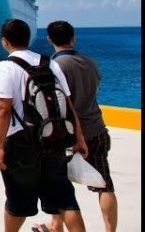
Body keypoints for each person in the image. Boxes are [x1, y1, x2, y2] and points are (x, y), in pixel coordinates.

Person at [0, 19, 89, 232]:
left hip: (20, 144)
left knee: (17, 201)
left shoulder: (5, 67)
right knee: (65, 200)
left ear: (4, 41)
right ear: (28, 38)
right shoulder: (50, 63)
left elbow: (2, 109)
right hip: (53, 139)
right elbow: (68, 104)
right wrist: (79, 137)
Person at [44, 21, 117, 232]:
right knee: (105, 185)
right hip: (97, 129)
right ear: (73, 38)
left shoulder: (54, 66)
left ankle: (57, 225)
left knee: (58, 185)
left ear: (49, 40)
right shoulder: (90, 63)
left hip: (68, 135)